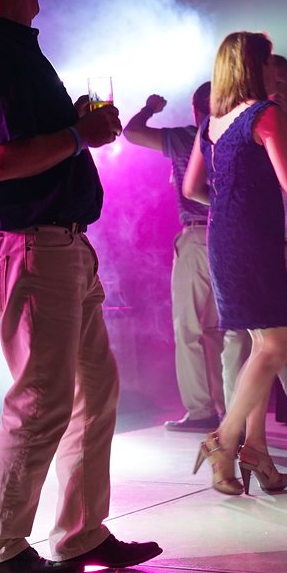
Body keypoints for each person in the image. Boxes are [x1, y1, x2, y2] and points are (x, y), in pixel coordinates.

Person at [0, 0, 162, 573]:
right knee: (42, 397)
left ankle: (78, 532)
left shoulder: (7, 49)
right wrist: (79, 133)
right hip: (30, 245)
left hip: (53, 243)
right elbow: (1, 160)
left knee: (93, 389)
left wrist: (72, 124)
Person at [183, 32, 287, 495]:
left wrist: (230, 205)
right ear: (254, 67)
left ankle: (257, 451)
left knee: (260, 347)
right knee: (278, 347)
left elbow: (192, 189)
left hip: (223, 240)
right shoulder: (265, 115)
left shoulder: (211, 123)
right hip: (257, 242)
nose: (274, 72)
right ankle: (226, 440)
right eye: (268, 64)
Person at [221, 55, 287, 458]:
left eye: (285, 81)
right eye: (271, 81)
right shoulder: (250, 124)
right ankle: (244, 437)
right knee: (265, 344)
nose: (278, 88)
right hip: (264, 243)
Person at [122, 83, 227, 435]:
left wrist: (150, 108)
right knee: (223, 330)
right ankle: (231, 409)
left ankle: (201, 411)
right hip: (233, 236)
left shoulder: (189, 137)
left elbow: (132, 133)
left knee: (190, 329)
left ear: (197, 110)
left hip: (199, 235)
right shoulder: (238, 135)